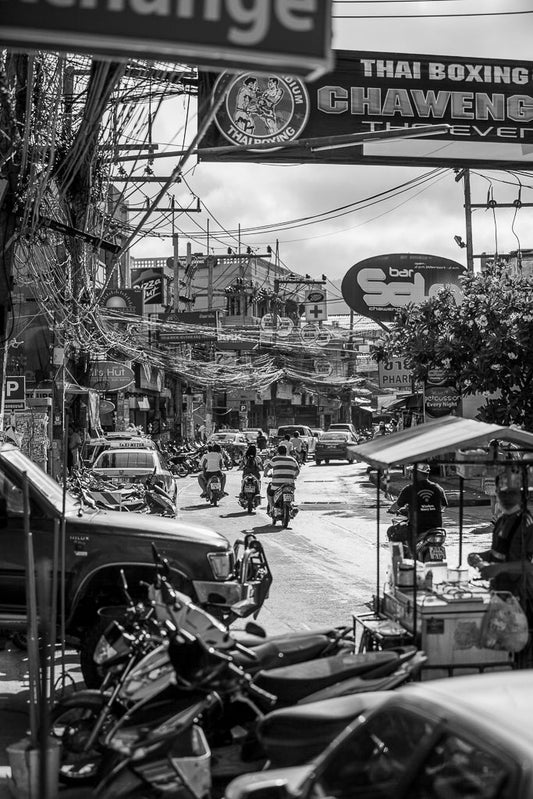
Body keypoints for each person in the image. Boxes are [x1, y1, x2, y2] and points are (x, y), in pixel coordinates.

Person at [391, 463, 448, 536]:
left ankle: (408, 547)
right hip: (436, 529)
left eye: (412, 472)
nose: (411, 474)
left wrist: (392, 509)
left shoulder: (409, 489)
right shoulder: (438, 488)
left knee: (392, 532)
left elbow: (397, 506)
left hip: (417, 529)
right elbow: (443, 506)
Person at [263, 444, 300, 514]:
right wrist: (294, 476)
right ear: (286, 451)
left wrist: (265, 474)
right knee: (291, 494)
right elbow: (297, 471)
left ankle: (271, 507)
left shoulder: (275, 459)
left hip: (277, 486)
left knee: (269, 493)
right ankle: (291, 507)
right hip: (290, 485)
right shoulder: (292, 459)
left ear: (278, 452)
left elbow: (267, 469)